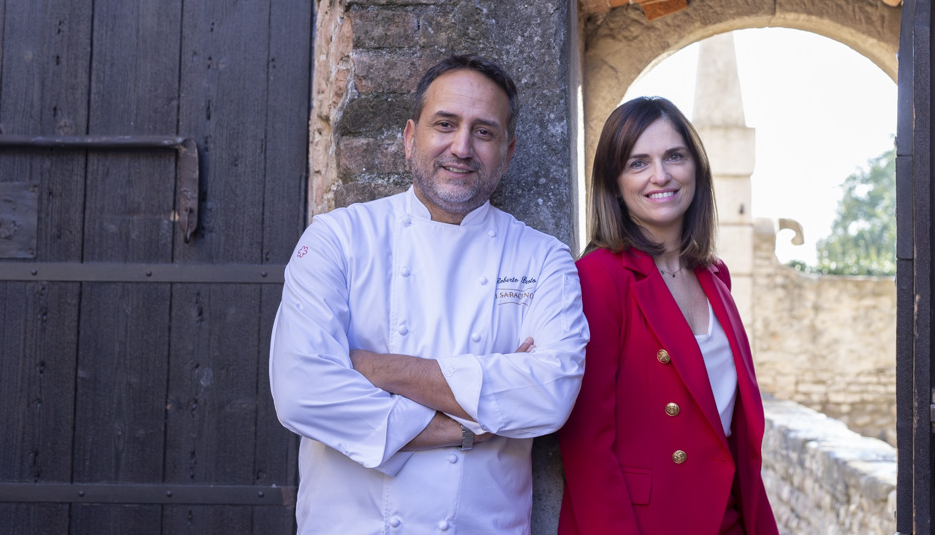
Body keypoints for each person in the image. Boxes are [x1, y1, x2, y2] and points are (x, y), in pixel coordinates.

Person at [270, 54, 589, 535]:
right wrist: (469, 426)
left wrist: (372, 367)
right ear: (408, 137)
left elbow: (550, 394)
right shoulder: (338, 239)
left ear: (508, 150)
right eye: (445, 124)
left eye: (484, 132)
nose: (461, 147)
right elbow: (300, 391)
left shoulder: (543, 259)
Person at [558, 97, 779, 535]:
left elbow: (730, 434)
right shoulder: (598, 278)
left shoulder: (715, 277)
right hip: (643, 523)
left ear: (696, 167)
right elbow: (588, 448)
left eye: (674, 156)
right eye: (638, 163)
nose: (660, 175)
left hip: (727, 518)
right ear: (614, 182)